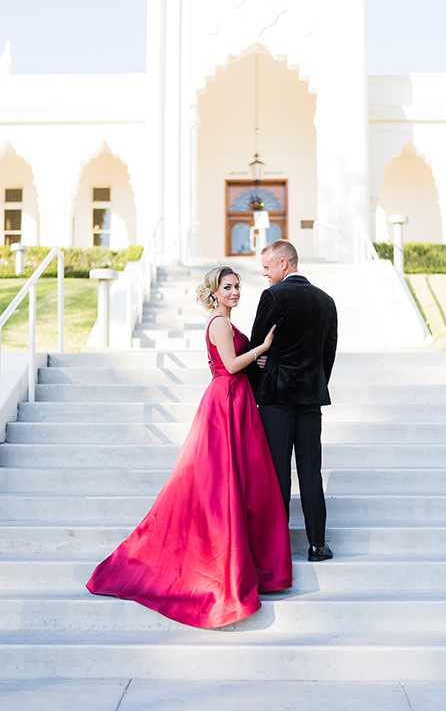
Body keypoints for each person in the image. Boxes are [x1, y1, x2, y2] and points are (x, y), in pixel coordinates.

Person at [86, 266, 292, 629]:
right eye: (227, 287)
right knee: (223, 484)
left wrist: (256, 358)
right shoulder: (220, 323)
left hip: (235, 399)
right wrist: (263, 348)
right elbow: (230, 364)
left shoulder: (224, 322)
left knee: (244, 482)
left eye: (237, 286)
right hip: (226, 401)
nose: (235, 292)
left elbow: (235, 363)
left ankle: (255, 565)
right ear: (214, 292)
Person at [249, 240, 338, 562]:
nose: (265, 274)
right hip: (310, 397)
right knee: (311, 471)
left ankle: (277, 547)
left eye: (268, 267)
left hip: (276, 398)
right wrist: (314, 384)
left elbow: (258, 344)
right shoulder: (326, 301)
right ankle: (317, 545)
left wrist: (262, 378)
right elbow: (328, 355)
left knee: (277, 473)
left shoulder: (273, 296)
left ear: (284, 264)